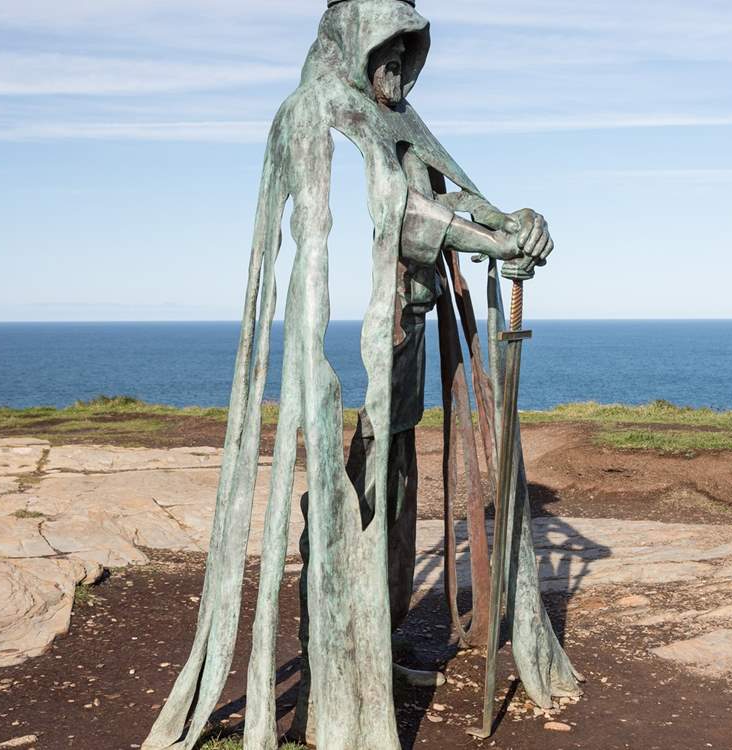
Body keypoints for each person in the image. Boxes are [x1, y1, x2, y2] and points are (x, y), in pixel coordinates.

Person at [144, 3, 577, 749]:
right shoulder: (317, 111)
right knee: (349, 499)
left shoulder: (399, 119)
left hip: (404, 343)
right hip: (347, 355)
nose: (400, 67)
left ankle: (375, 636)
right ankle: (337, 666)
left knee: (397, 494)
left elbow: (445, 191)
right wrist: (485, 236)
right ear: (356, 39)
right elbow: (401, 213)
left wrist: (514, 219)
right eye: (389, 48)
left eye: (410, 50)